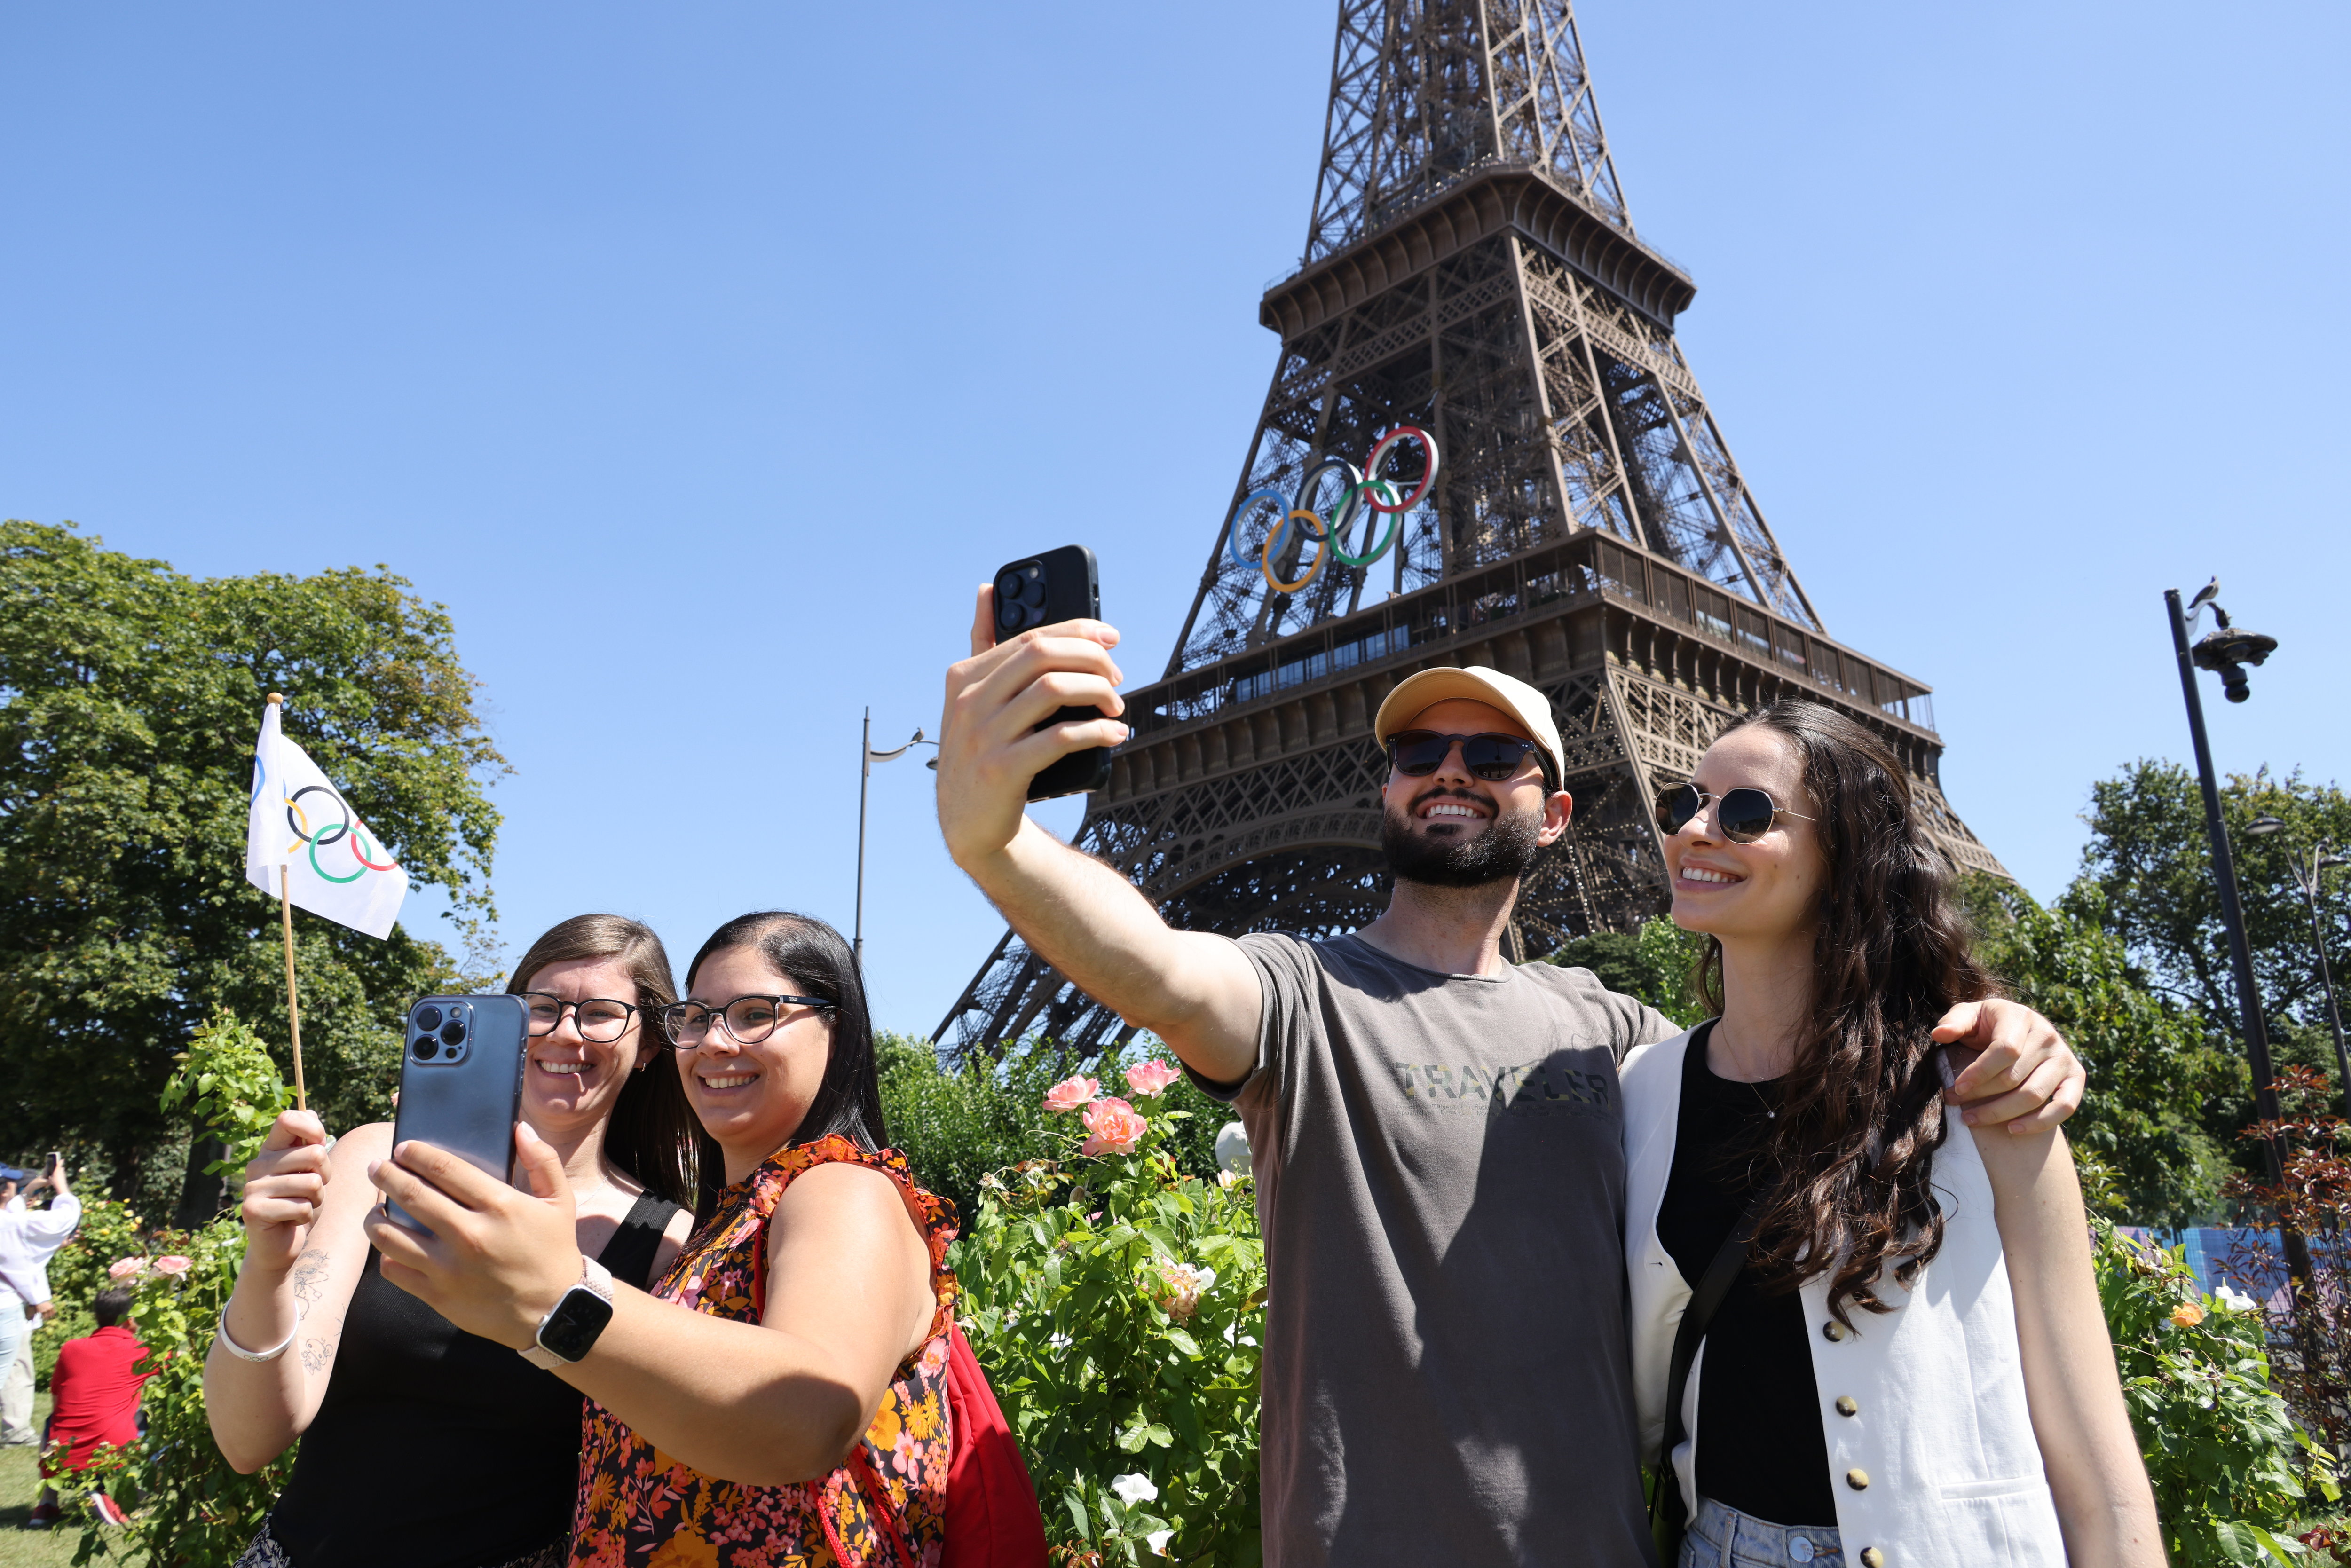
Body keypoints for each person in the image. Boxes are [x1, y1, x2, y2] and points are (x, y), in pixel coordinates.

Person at [933, 590, 2088, 1568]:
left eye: (1492, 758)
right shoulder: (1298, 997)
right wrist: (998, 842)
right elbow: (1160, 971)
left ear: (1557, 813)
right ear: (1383, 789)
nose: (1450, 773)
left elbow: (1793, 1060)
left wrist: (2000, 1031)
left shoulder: (1618, 1035)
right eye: (1416, 754)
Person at [1622, 700, 2162, 1568]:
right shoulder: (1640, 1091)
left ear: (1847, 856)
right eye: (1683, 804)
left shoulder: (1981, 1088)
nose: (1697, 830)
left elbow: (2092, 1446)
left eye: (1746, 812)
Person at [364, 911, 959, 1568]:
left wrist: (558, 1297)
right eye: (698, 1018)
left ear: (836, 1028)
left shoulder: (842, 1187)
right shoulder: (729, 1223)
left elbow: (810, 1413)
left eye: (756, 1012)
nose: (715, 1042)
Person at [205, 914, 703, 1568]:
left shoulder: (667, 1242)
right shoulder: (378, 1160)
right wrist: (268, 1263)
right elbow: (248, 1440)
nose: (564, 1032)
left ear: (647, 1046)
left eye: (602, 1013)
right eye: (542, 1007)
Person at [28, 1285, 156, 1528]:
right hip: (110, 1450)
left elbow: (57, 1402)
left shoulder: (71, 1348)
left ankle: (47, 1503)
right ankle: (114, 1495)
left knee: (51, 1421)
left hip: (61, 1454)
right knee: (146, 1419)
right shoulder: (140, 1351)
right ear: (130, 1320)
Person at [0, 1156, 79, 1447]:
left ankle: (15, 1428)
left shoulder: (10, 1219)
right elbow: (64, 1219)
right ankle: (16, 1430)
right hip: (6, 1307)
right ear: (3, 1191)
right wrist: (61, 1187)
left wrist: (27, 1191)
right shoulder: (11, 1225)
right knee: (17, 1367)